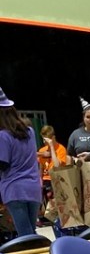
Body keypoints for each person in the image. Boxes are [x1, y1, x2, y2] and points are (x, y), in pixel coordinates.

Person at [0, 87, 42, 238]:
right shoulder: (30, 132)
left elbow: (3, 164)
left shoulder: (3, 136)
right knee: (31, 232)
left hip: (14, 189)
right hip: (33, 188)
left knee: (25, 235)